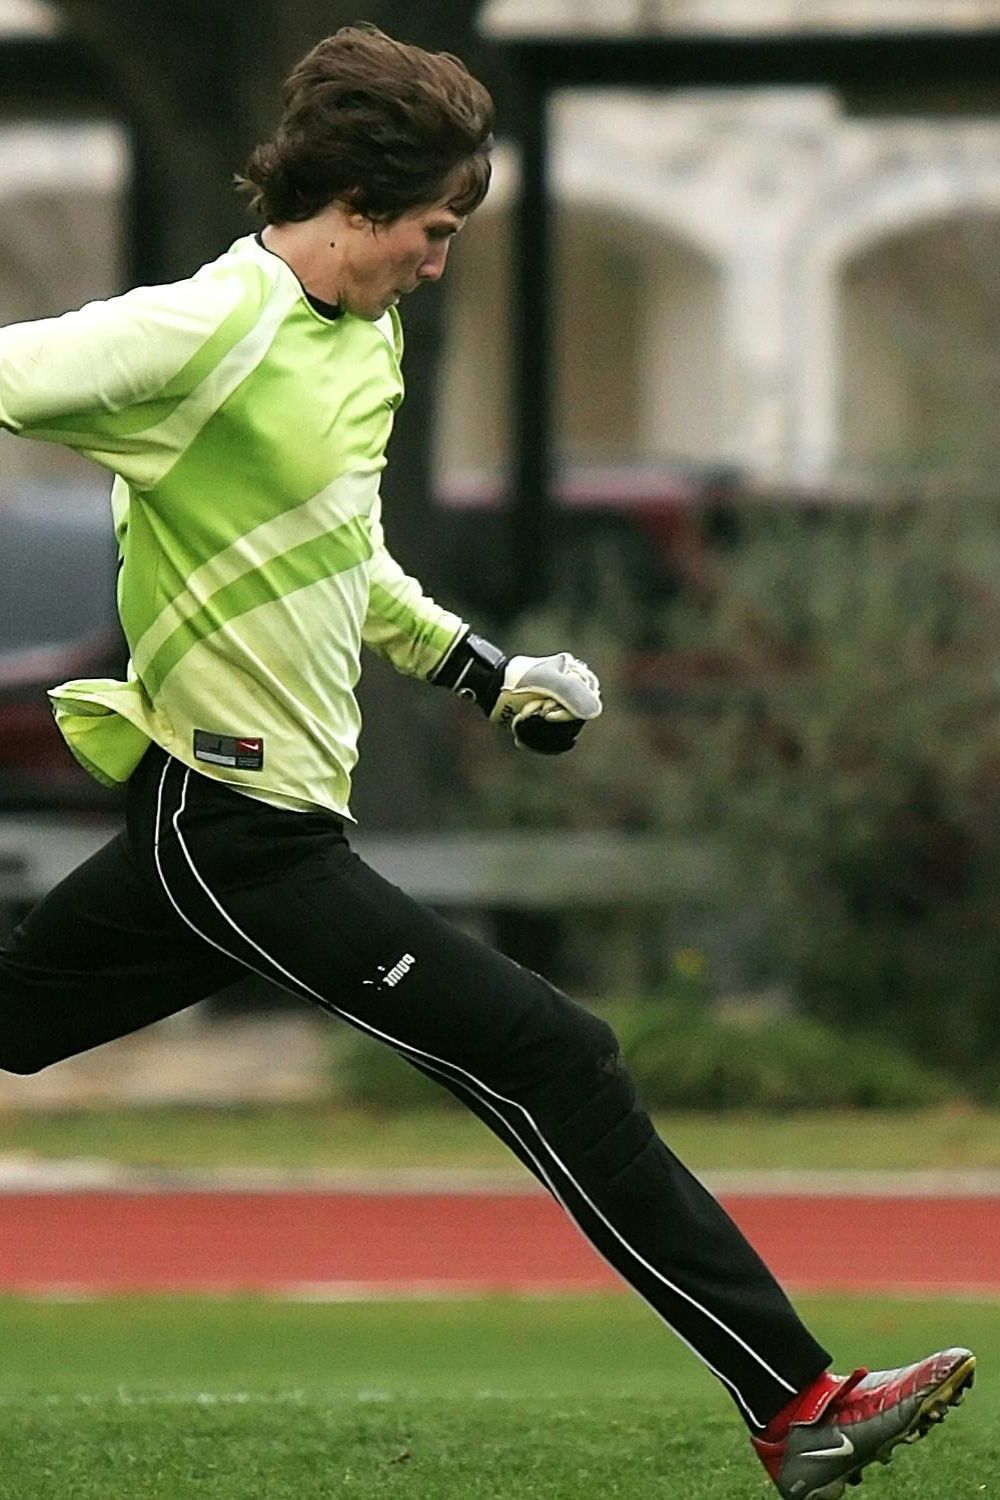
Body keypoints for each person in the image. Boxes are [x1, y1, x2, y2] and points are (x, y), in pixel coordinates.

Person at [0, 24, 974, 1499]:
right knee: (555, 1054)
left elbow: (344, 558)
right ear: (362, 202)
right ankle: (799, 1404)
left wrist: (486, 673)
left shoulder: (365, 336)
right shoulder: (208, 327)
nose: (442, 262)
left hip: (240, 837)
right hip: (242, 834)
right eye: (436, 229)